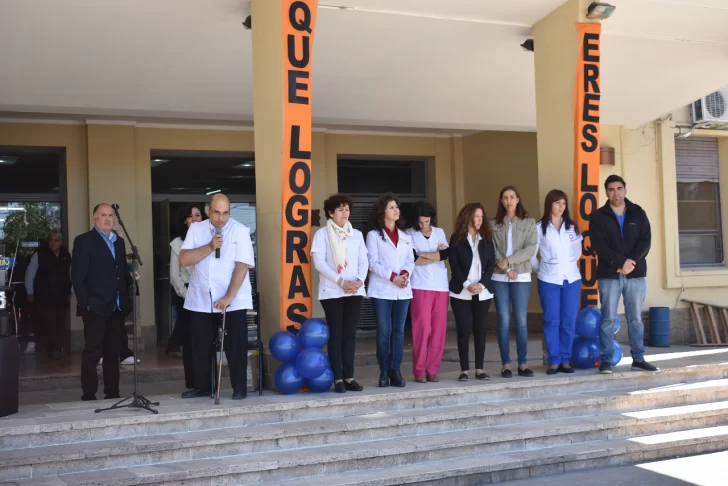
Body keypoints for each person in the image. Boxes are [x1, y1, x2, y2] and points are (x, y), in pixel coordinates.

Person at [180, 193, 255, 400]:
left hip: (233, 299)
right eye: (216, 213)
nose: (221, 218)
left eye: (225, 213)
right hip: (201, 297)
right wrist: (210, 247)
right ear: (208, 211)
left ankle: (240, 388)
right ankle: (203, 386)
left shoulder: (240, 230)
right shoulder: (196, 229)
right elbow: (184, 259)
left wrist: (229, 296)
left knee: (235, 345)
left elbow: (242, 265)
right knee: (201, 344)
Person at [589, 175, 658, 374]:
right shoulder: (598, 216)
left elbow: (645, 241)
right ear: (606, 192)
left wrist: (630, 263)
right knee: (608, 318)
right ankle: (606, 360)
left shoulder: (638, 212)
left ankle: (638, 359)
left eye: (619, 188)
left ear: (625, 190)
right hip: (609, 275)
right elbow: (599, 245)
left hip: (635, 274)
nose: (616, 193)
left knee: (635, 319)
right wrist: (620, 263)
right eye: (611, 189)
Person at [72, 204, 132, 401]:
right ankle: (89, 393)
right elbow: (77, 276)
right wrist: (86, 303)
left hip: (116, 305)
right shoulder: (84, 241)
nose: (107, 219)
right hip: (95, 306)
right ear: (95, 218)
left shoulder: (119, 242)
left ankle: (112, 392)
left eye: (111, 215)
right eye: (103, 215)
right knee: (93, 351)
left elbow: (120, 272)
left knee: (112, 351)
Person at [311, 194, 367, 393]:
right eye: (340, 209)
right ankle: (337, 378)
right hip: (332, 292)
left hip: (355, 290)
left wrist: (359, 281)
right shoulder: (322, 234)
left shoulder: (357, 234)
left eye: (347, 209)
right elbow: (319, 263)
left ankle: (349, 376)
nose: (345, 213)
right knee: (336, 335)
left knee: (349, 335)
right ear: (330, 212)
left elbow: (363, 261)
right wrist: (341, 281)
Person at [366, 193, 414, 388]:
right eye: (391, 207)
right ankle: (384, 371)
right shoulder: (373, 235)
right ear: (382, 211)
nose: (396, 210)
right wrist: (393, 276)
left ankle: (396, 370)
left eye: (397, 207)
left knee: (399, 332)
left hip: (402, 287)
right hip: (382, 289)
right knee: (384, 330)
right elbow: (372, 262)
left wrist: (404, 274)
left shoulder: (406, 236)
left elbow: (410, 259)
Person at [532, 190, 582, 375]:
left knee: (568, 320)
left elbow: (578, 252)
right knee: (551, 319)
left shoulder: (571, 227)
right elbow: (532, 256)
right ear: (549, 205)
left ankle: (565, 359)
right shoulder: (539, 228)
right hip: (548, 280)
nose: (561, 206)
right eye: (557, 203)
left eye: (563, 203)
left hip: (571, 279)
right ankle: (553, 360)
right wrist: (542, 270)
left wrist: (567, 264)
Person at [491, 186, 537, 378]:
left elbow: (530, 249)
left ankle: (523, 363)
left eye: (512, 197)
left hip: (521, 276)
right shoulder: (493, 224)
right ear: (501, 201)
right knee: (503, 320)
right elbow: (492, 249)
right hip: (499, 276)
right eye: (505, 198)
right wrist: (506, 269)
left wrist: (509, 262)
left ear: (518, 199)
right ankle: (506, 364)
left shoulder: (529, 222)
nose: (509, 201)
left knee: (521, 320)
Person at [449, 203, 495, 382]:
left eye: (481, 217)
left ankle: (479, 369)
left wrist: (482, 284)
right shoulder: (456, 239)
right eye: (476, 216)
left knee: (480, 329)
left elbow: (490, 264)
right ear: (467, 217)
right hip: (461, 291)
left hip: (482, 291)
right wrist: (467, 284)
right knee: (463, 329)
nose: (479, 220)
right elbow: (454, 264)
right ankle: (464, 370)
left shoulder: (487, 238)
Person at [406, 201, 449, 383]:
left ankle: (432, 369)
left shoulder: (439, 232)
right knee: (422, 328)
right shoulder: (409, 234)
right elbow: (412, 259)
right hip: (419, 285)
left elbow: (445, 255)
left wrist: (422, 254)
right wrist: (434, 255)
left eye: (426, 221)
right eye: (420, 222)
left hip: (441, 286)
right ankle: (419, 370)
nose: (423, 225)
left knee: (438, 330)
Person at [166, 203, 205, 390]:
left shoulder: (209, 239)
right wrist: (187, 295)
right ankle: (193, 384)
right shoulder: (177, 243)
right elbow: (174, 275)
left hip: (206, 293)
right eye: (191, 216)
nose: (195, 219)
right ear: (184, 221)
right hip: (187, 294)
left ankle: (207, 381)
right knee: (190, 341)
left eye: (198, 215)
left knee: (205, 340)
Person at [25, 231, 72, 359]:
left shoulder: (66, 255)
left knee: (61, 323)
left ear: (60, 242)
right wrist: (29, 291)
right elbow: (30, 273)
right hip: (44, 297)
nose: (53, 243)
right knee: (48, 323)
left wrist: (71, 291)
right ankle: (52, 349)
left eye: (56, 240)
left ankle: (59, 347)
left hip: (62, 296)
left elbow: (71, 274)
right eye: (51, 240)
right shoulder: (39, 255)